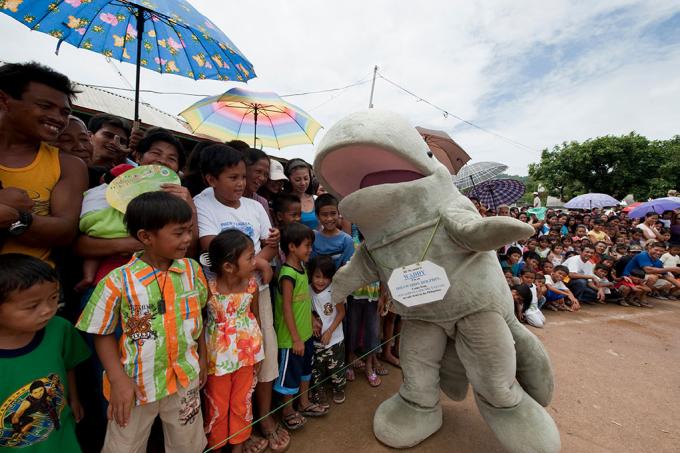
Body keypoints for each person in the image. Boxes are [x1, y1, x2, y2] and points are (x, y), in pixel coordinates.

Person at [76, 192, 208, 452]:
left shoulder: (192, 271)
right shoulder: (118, 280)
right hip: (135, 384)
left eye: (189, 231)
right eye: (179, 232)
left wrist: (203, 357)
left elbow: (198, 317)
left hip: (185, 376)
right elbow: (101, 332)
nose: (188, 239)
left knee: (188, 444)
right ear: (146, 237)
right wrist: (118, 380)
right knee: (124, 446)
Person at [193, 144, 287, 451]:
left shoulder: (254, 206)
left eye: (243, 177)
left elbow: (268, 244)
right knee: (219, 389)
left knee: (259, 362)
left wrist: (267, 250)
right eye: (233, 177)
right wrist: (259, 261)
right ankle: (220, 440)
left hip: (252, 295)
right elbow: (210, 245)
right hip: (217, 298)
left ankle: (255, 425)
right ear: (210, 179)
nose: (241, 184)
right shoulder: (200, 203)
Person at [74, 129, 194, 290]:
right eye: (155, 153)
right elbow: (81, 243)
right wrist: (133, 244)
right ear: (138, 157)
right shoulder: (116, 188)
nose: (162, 161)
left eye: (171, 158)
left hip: (160, 284)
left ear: (177, 169)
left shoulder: (180, 197)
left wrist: (190, 207)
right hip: (110, 281)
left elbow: (189, 248)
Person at [0, 61, 88, 263]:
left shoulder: (68, 165)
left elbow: (65, 231)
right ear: (4, 100)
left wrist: (16, 217)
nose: (58, 118)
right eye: (45, 106)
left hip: (36, 290)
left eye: (65, 112)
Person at [0, 254, 90, 451]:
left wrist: (73, 399)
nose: (48, 310)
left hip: (58, 437)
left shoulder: (59, 330)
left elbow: (68, 365)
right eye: (32, 306)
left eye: (54, 298)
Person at [202, 230, 267, 453]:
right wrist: (202, 359)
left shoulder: (251, 286)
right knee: (217, 406)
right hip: (217, 361)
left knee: (242, 402)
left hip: (247, 356)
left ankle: (238, 446)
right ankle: (216, 447)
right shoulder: (208, 290)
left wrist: (260, 351)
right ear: (229, 266)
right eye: (250, 257)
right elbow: (200, 327)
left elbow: (254, 317)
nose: (255, 262)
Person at [274, 222, 328, 430]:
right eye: (307, 245)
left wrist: (312, 319)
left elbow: (303, 301)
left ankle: (304, 403)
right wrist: (295, 338)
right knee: (289, 377)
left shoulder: (302, 268)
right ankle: (288, 411)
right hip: (291, 339)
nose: (310, 249)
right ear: (292, 247)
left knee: (305, 371)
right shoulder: (287, 274)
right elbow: (287, 308)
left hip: (305, 334)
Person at [308, 255, 347, 407]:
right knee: (316, 369)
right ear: (311, 274)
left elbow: (341, 313)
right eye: (317, 276)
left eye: (326, 277)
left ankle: (339, 388)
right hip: (316, 339)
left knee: (336, 367)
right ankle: (318, 391)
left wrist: (330, 331)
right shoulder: (307, 289)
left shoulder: (334, 291)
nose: (321, 281)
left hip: (335, 338)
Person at [310, 194, 354, 269]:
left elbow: (348, 268)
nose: (329, 218)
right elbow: (311, 264)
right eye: (324, 215)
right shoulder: (313, 237)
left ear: (339, 213)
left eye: (333, 213)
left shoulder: (346, 240)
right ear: (317, 216)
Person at [284, 159, 317, 230]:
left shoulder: (316, 199)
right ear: (289, 179)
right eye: (297, 180)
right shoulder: (284, 201)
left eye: (306, 178)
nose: (303, 183)